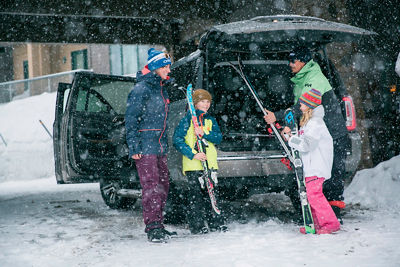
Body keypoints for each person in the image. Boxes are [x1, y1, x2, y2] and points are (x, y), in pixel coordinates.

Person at [264, 46, 349, 223]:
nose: (290, 64)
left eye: (294, 61)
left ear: (303, 61)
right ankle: (315, 215)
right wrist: (286, 125)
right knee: (313, 177)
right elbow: (300, 108)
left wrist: (276, 116)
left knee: (330, 176)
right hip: (315, 134)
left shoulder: (315, 78)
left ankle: (332, 217)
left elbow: (304, 105)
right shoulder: (302, 78)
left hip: (330, 135)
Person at [125, 48, 176, 243]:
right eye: (164, 66)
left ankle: (159, 224)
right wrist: (134, 146)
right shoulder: (141, 89)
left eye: (168, 66)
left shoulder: (161, 89)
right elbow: (131, 119)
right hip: (145, 146)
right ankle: (153, 227)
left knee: (163, 185)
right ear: (155, 67)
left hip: (160, 145)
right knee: (151, 186)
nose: (168, 69)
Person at [283, 89, 340, 234]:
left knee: (314, 196)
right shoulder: (309, 123)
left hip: (317, 166)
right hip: (310, 166)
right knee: (310, 196)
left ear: (309, 105)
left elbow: (307, 145)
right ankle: (316, 223)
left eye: (302, 103)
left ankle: (330, 223)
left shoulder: (316, 123)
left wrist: (291, 139)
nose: (300, 106)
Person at [173, 89, 227, 234]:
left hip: (210, 164)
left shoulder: (210, 120)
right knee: (196, 197)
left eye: (208, 101)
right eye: (202, 101)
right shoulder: (187, 120)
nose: (206, 104)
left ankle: (215, 222)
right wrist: (193, 154)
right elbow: (177, 141)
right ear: (195, 103)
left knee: (212, 194)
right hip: (194, 165)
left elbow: (218, 138)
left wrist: (206, 134)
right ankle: (197, 225)